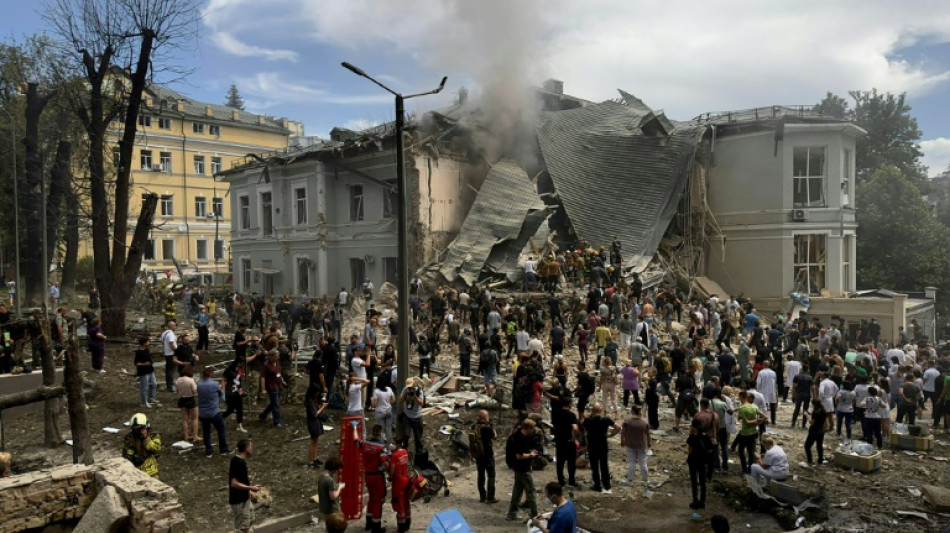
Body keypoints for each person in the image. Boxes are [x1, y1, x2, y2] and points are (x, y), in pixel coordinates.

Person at [353, 423, 388, 533]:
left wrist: (354, 427)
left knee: (372, 499)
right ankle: (376, 527)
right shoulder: (381, 448)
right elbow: (385, 464)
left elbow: (355, 440)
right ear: (380, 434)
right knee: (378, 501)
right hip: (377, 476)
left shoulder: (365, 444)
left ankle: (368, 524)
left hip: (367, 476)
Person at [506, 418, 541, 522]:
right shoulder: (520, 439)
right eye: (532, 428)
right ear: (528, 428)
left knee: (517, 491)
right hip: (523, 468)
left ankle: (511, 514)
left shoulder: (516, 435)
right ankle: (534, 516)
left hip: (517, 468)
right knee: (531, 492)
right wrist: (531, 455)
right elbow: (519, 456)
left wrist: (530, 452)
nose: (533, 431)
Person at [583, 403, 620, 493]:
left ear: (592, 411)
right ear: (601, 410)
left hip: (592, 446)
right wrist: (610, 435)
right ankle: (607, 485)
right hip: (603, 445)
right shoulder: (606, 420)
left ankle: (597, 485)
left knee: (594, 467)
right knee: (604, 466)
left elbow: (584, 431)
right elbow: (618, 427)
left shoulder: (587, 421)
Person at [229, 439, 261, 533]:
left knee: (250, 519)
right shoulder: (238, 463)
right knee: (243, 527)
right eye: (250, 447)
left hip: (245, 499)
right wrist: (251, 488)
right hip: (239, 502)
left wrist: (249, 491)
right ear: (246, 449)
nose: (251, 449)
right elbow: (234, 483)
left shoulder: (239, 460)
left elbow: (242, 480)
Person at [197, 366, 230, 457]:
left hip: (203, 413)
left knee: (206, 432)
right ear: (211, 374)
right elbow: (222, 394)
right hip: (214, 412)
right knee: (221, 429)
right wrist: (223, 384)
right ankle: (223, 449)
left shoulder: (199, 385)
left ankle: (209, 450)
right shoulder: (215, 384)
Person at [123, 412, 162, 477]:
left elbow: (155, 448)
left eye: (139, 428)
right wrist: (131, 457)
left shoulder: (153, 435)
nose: (137, 431)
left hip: (150, 469)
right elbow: (127, 451)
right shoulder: (130, 437)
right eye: (134, 429)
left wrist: (145, 437)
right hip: (134, 470)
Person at [621, 404, 651, 487]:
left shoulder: (627, 420)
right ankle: (645, 481)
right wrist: (649, 442)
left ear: (632, 411)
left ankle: (630, 480)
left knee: (631, 462)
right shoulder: (644, 421)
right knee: (643, 463)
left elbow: (623, 432)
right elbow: (648, 434)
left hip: (630, 444)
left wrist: (622, 440)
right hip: (642, 445)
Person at [551, 397, 579, 488]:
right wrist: (573, 438)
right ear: (569, 404)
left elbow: (553, 426)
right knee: (571, 462)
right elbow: (575, 428)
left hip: (559, 441)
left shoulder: (556, 414)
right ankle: (571, 480)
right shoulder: (571, 415)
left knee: (560, 462)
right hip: (569, 441)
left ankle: (561, 481)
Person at [735, 391, 765, 474]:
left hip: (745, 433)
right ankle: (750, 469)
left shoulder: (742, 408)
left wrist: (754, 421)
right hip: (753, 432)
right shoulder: (754, 407)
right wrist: (758, 421)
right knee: (750, 451)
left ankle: (744, 469)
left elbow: (741, 419)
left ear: (742, 397)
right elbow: (765, 417)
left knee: (741, 451)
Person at [473, 409, 498, 503]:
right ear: (484, 417)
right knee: (491, 475)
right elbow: (494, 437)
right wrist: (493, 430)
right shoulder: (487, 428)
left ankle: (482, 496)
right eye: (487, 416)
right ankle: (490, 497)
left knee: (481, 476)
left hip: (479, 455)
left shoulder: (474, 426)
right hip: (488, 454)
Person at [389, 439, 412, 532]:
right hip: (406, 480)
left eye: (393, 443)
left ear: (398, 444)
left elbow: (392, 471)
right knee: (406, 503)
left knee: (400, 505)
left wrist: (390, 478)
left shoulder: (394, 456)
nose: (391, 445)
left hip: (398, 483)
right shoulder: (405, 452)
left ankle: (401, 528)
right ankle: (407, 524)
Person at [258, 349, 285, 427]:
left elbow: (279, 372)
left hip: (279, 385)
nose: (278, 357)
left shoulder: (277, 362)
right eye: (277, 356)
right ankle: (276, 422)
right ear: (272, 356)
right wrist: (263, 389)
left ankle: (263, 415)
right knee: (276, 404)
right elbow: (262, 377)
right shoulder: (266, 365)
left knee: (274, 403)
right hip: (271, 386)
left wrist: (282, 380)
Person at [686, 419, 709, 509]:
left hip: (693, 461)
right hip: (702, 461)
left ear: (693, 427)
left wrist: (690, 434)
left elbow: (690, 450)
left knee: (694, 481)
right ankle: (702, 501)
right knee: (702, 481)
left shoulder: (692, 437)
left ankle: (695, 501)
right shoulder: (705, 436)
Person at [399, 377, 426, 453]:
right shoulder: (405, 389)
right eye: (409, 387)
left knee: (418, 437)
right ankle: (404, 450)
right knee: (406, 435)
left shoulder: (419, 390)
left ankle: (419, 452)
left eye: (411, 386)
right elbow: (400, 401)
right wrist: (405, 393)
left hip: (417, 416)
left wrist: (415, 396)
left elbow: (421, 403)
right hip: (407, 416)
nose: (410, 388)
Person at [222, 359, 248, 434]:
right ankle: (220, 418)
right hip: (230, 392)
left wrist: (241, 391)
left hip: (237, 392)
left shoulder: (239, 370)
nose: (242, 365)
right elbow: (223, 380)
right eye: (241, 364)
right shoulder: (228, 370)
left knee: (240, 409)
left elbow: (239, 383)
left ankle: (240, 426)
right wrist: (223, 392)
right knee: (230, 409)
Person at [175, 365, 199, 443]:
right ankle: (195, 435)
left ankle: (186, 436)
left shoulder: (178, 380)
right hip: (190, 399)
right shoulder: (190, 380)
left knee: (185, 419)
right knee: (195, 418)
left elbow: (177, 392)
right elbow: (195, 391)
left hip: (182, 400)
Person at [134, 336, 158, 408]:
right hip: (143, 372)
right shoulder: (139, 352)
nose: (149, 343)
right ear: (144, 343)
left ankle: (151, 398)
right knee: (144, 387)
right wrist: (144, 364)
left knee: (154, 384)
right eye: (148, 342)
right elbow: (136, 363)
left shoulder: (147, 350)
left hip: (150, 370)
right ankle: (144, 402)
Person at [804, 399, 830, 466]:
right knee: (819, 446)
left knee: (807, 446)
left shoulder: (815, 412)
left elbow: (812, 422)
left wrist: (807, 416)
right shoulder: (823, 411)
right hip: (821, 431)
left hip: (814, 431)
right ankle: (820, 460)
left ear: (814, 404)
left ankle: (810, 461)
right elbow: (825, 422)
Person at [372, 380, 396, 451]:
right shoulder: (389, 389)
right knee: (388, 429)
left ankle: (381, 446)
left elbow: (374, 404)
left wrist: (372, 402)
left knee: (380, 430)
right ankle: (388, 447)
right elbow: (393, 399)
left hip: (379, 412)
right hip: (388, 410)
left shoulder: (376, 391)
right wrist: (388, 403)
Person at [307, 387, 328, 468]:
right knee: (313, 441)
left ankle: (314, 458)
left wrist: (321, 406)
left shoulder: (315, 400)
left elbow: (318, 411)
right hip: (313, 422)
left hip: (317, 422)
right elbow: (315, 414)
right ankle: (310, 461)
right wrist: (323, 407)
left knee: (316, 441)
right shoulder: (310, 401)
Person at [318, 457, 344, 521]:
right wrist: (340, 488)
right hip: (332, 510)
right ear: (334, 469)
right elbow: (333, 497)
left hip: (324, 508)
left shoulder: (322, 476)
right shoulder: (330, 480)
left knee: (329, 527)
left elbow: (326, 489)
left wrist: (336, 486)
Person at [756, 360, 778, 425]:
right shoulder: (773, 372)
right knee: (772, 407)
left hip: (763, 391)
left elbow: (759, 383)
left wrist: (758, 390)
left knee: (763, 407)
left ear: (763, 365)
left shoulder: (761, 372)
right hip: (771, 391)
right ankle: (773, 421)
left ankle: (764, 420)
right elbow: (775, 382)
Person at [162, 321, 179, 392]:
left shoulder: (164, 333)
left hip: (167, 353)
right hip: (171, 354)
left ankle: (170, 385)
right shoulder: (170, 334)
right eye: (175, 325)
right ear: (171, 326)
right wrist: (177, 352)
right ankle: (170, 386)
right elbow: (171, 344)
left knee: (169, 370)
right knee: (170, 371)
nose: (176, 327)